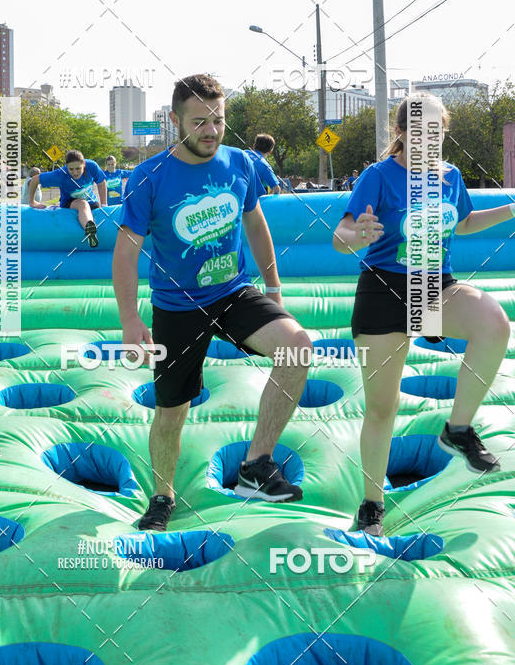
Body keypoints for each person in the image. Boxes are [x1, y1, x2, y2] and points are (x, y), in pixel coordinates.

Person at [113, 74, 312, 532]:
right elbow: (126, 252)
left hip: (233, 292)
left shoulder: (240, 163)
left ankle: (255, 466)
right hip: (177, 306)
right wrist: (129, 318)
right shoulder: (149, 177)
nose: (211, 131)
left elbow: (255, 223)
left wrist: (273, 287)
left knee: (298, 347)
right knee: (171, 412)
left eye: (218, 120)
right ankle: (162, 496)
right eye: (199, 121)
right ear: (174, 120)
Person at [332, 94, 511, 536]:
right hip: (384, 290)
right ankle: (372, 504)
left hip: (434, 287)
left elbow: (463, 222)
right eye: (419, 131)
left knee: (494, 323)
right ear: (400, 133)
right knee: (382, 409)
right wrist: (358, 234)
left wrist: (511, 210)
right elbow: (341, 235)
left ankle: (458, 429)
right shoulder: (378, 176)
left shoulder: (451, 176)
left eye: (437, 131)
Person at [28, 150, 107, 247]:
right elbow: (34, 180)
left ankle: (91, 227)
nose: (75, 172)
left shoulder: (92, 166)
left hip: (91, 201)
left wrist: (104, 205)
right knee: (83, 204)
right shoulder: (60, 175)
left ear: (84, 164)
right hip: (69, 203)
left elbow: (101, 183)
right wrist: (32, 202)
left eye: (78, 168)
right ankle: (90, 230)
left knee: (86, 204)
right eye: (71, 169)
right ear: (66, 166)